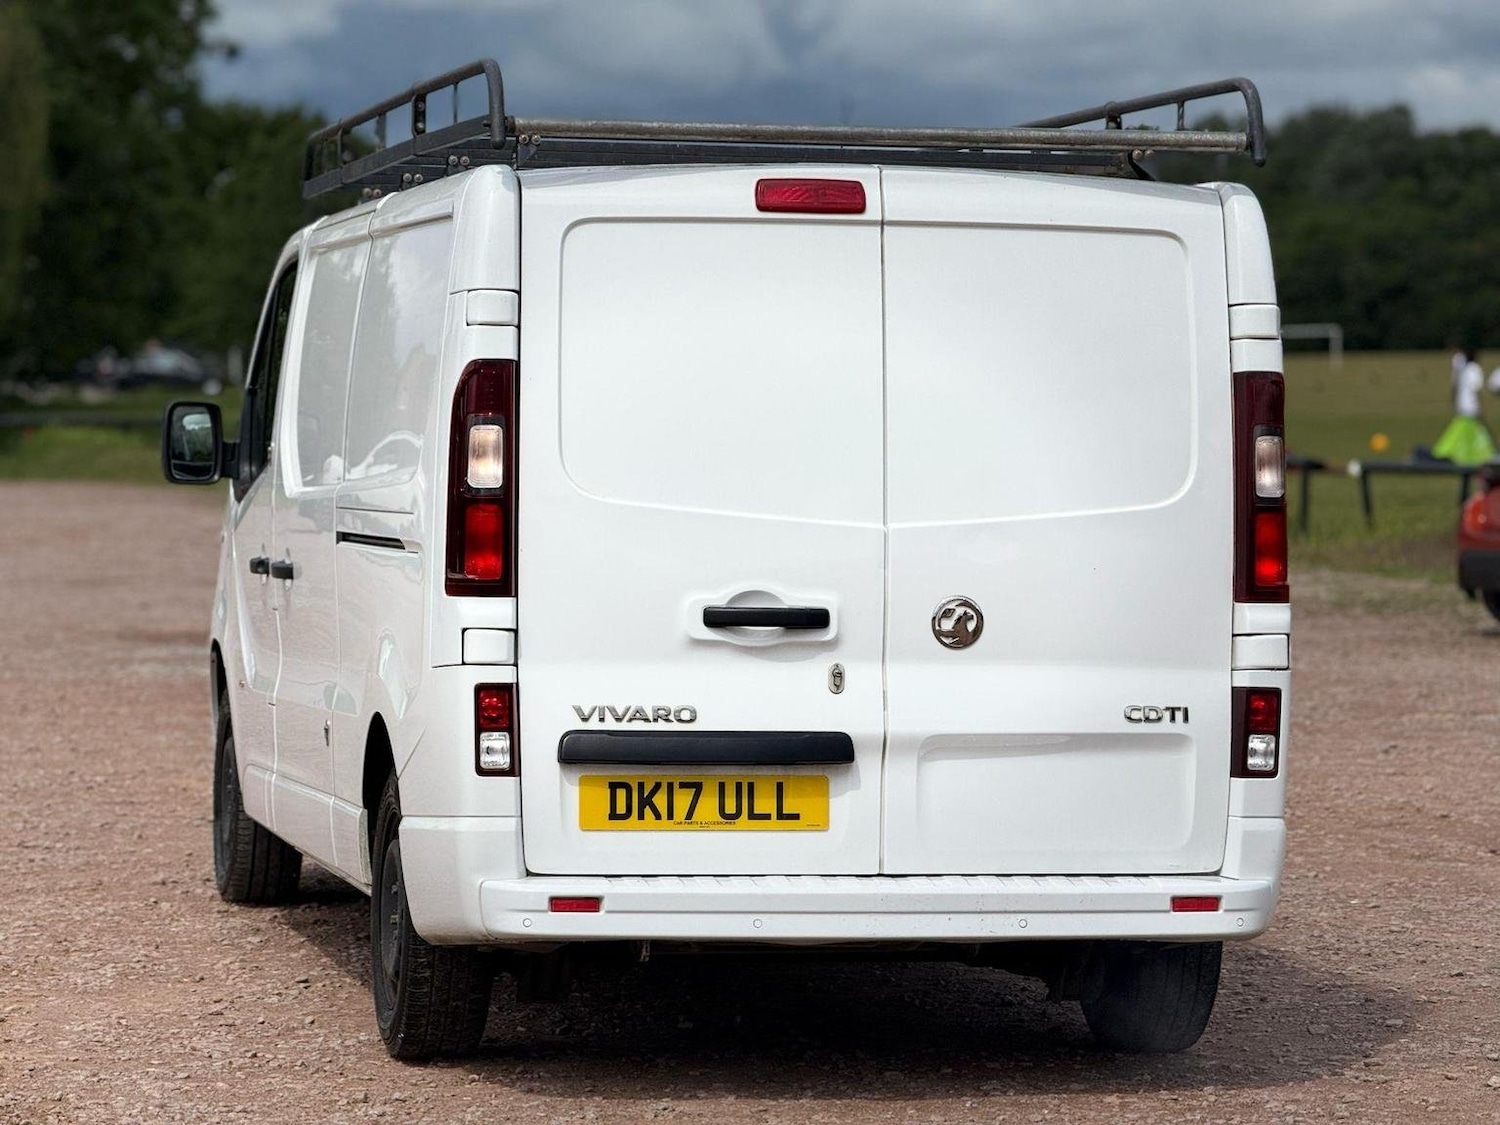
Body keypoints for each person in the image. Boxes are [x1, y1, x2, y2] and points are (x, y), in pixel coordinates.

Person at [1432, 348, 1495, 465]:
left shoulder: (1462, 369)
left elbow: (1454, 386)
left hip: (1462, 405)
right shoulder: (1474, 369)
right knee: (1475, 431)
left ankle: (1458, 453)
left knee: (1466, 430)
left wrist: (1453, 400)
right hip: (1471, 406)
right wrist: (1480, 406)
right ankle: (1477, 454)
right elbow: (1476, 390)